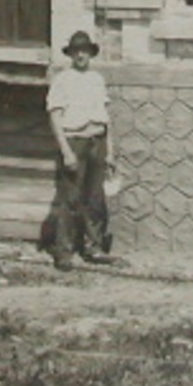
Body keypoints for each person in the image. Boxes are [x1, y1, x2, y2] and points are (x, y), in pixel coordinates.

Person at [41, 30, 118, 270]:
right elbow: (55, 116)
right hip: (75, 141)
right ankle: (63, 251)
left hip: (97, 141)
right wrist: (66, 151)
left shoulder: (97, 79)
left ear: (91, 53)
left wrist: (111, 151)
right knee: (70, 198)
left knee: (95, 198)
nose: (81, 55)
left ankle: (93, 247)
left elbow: (106, 119)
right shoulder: (63, 79)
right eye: (77, 51)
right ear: (71, 54)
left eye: (85, 50)